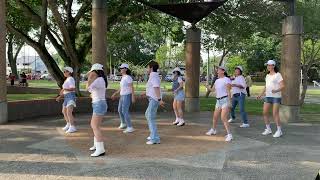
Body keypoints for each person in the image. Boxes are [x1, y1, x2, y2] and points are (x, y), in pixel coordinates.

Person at [257, 60, 285, 138]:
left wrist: (276, 90)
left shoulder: (278, 75)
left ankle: (279, 130)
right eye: (267, 65)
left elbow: (283, 86)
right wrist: (261, 94)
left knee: (275, 114)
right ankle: (268, 129)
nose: (268, 67)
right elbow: (266, 86)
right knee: (265, 112)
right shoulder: (267, 75)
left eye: (270, 65)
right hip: (268, 97)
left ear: (273, 66)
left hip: (276, 97)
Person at [205, 66, 233, 142]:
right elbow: (213, 90)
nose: (217, 71)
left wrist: (230, 102)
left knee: (223, 118)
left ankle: (229, 134)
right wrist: (207, 87)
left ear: (223, 71)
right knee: (215, 117)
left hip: (225, 100)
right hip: (218, 101)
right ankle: (213, 130)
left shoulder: (227, 80)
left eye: (219, 70)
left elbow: (228, 91)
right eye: (217, 70)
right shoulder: (217, 81)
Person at [141, 61, 165, 145]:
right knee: (148, 115)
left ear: (151, 68)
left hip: (154, 99)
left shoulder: (154, 76)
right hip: (153, 99)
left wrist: (159, 100)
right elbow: (152, 87)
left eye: (148, 67)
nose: (147, 69)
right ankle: (153, 135)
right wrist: (146, 93)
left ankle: (155, 138)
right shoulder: (153, 76)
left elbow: (156, 88)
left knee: (150, 117)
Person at [87, 63, 108, 157]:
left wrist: (90, 78)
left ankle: (100, 149)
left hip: (99, 104)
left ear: (96, 72)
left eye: (92, 72)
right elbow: (90, 90)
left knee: (94, 126)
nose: (90, 74)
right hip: (99, 103)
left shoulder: (98, 80)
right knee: (96, 126)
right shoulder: (100, 79)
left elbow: (88, 88)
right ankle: (97, 146)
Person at [111, 63, 136, 133]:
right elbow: (121, 88)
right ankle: (123, 123)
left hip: (127, 96)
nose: (121, 69)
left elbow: (132, 87)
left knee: (125, 111)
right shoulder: (123, 77)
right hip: (122, 96)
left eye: (122, 68)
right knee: (119, 110)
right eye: (120, 68)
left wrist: (133, 97)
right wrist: (115, 93)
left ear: (126, 69)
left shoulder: (128, 77)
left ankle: (130, 127)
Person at [56, 67, 77, 133]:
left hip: (70, 96)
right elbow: (64, 89)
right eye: (64, 71)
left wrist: (64, 90)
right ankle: (68, 124)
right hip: (66, 97)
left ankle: (72, 126)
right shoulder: (67, 79)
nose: (64, 72)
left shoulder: (71, 79)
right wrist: (60, 96)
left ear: (69, 72)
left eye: (65, 71)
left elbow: (73, 88)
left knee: (68, 112)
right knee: (64, 111)